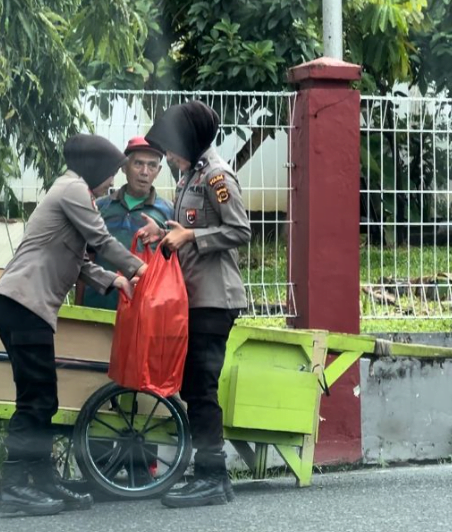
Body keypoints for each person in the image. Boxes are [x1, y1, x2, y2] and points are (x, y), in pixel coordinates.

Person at [0, 134, 148, 516]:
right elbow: (102, 239)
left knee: (42, 396)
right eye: (111, 173)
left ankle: (42, 480)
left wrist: (115, 280)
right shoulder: (73, 190)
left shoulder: (70, 189)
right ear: (95, 168)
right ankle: (14, 486)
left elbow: (78, 258)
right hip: (23, 304)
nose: (113, 180)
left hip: (22, 305)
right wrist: (140, 267)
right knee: (36, 398)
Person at [139, 100, 252, 508]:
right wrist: (168, 231)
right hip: (196, 298)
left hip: (214, 298)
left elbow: (240, 229)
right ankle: (212, 475)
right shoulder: (191, 175)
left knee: (200, 388)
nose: (166, 156)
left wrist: (191, 237)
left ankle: (211, 475)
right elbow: (191, 224)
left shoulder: (217, 176)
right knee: (194, 386)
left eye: (170, 147)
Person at [81, 136, 173, 310]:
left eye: (152, 165)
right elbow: (86, 258)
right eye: (138, 163)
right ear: (124, 167)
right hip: (98, 305)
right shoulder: (100, 207)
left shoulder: (168, 212)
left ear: (158, 171)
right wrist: (79, 306)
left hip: (143, 309)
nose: (145, 172)